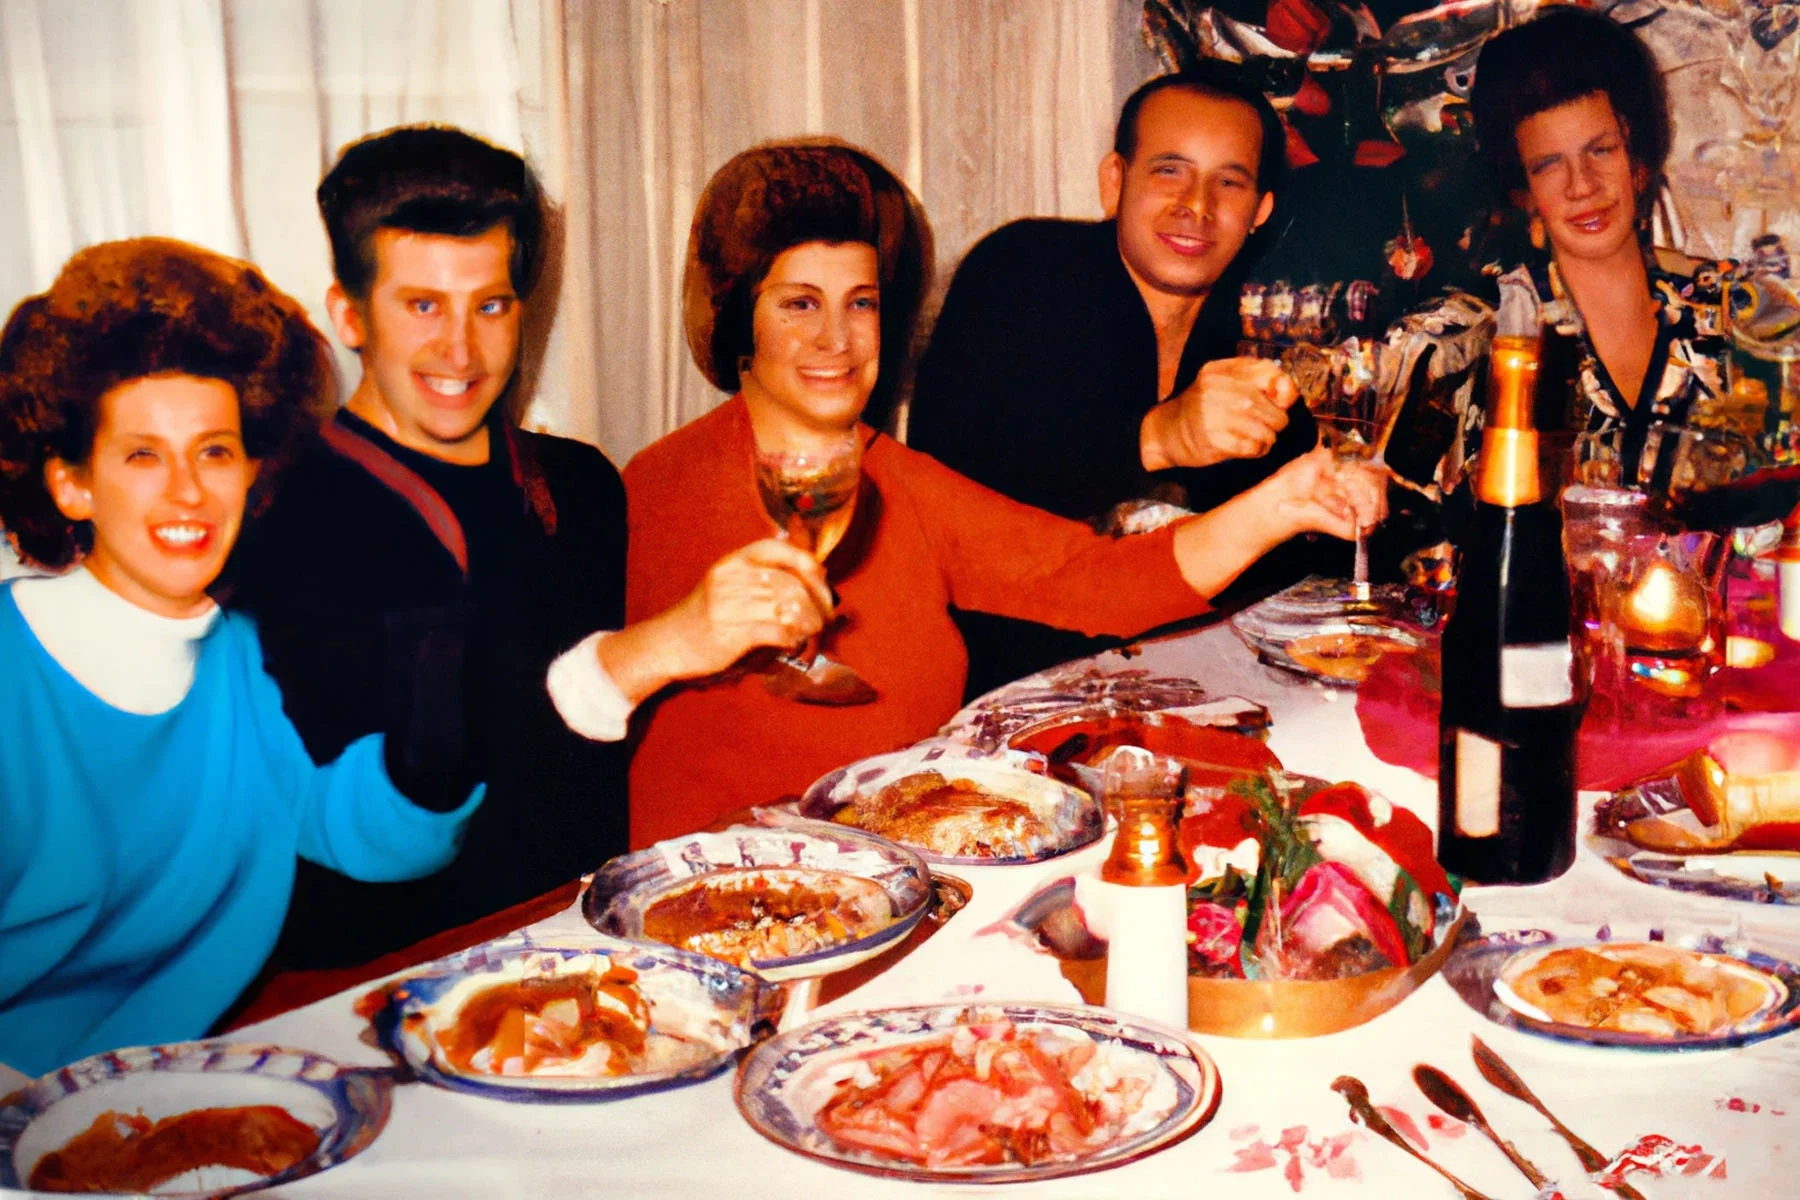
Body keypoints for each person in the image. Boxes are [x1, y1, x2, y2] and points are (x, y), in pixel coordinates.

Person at [620, 139, 1381, 847]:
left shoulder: (897, 480)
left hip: (903, 859)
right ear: (735, 316)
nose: (837, 340)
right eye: (799, 304)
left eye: (861, 302)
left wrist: (1281, 503)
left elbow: (1093, 581)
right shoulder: (654, 493)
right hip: (727, 901)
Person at [224, 126, 827, 969]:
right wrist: (656, 650)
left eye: (491, 304)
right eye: (422, 305)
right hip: (386, 980)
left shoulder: (578, 486)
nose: (461, 349)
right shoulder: (285, 519)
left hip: (588, 943)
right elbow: (395, 828)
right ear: (349, 315)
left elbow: (588, 776)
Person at [0, 239, 484, 1076]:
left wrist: (425, 757)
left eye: (215, 451)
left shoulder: (236, 656)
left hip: (172, 1085)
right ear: (72, 483)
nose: (188, 492)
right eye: (144, 454)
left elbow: (344, 830)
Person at [906, 61, 1328, 698]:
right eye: (1169, 171)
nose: (1197, 207)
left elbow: (1286, 561)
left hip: (1190, 695)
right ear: (1114, 181)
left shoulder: (1259, 337)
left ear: (1260, 212)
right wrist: (1153, 438)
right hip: (999, 696)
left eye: (1230, 183)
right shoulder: (1021, 274)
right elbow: (946, 485)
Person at [1469, 7, 1732, 486]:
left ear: (1639, 159)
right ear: (1523, 190)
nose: (1581, 186)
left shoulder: (1732, 312)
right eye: (1549, 164)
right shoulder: (1488, 340)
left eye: (1601, 150)